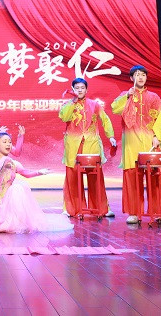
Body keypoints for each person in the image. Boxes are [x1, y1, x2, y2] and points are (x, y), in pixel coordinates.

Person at [111, 65, 161, 225]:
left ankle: (160, 212)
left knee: (156, 179)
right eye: (137, 75)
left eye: (143, 74)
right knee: (133, 179)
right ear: (131, 78)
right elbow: (115, 108)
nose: (141, 77)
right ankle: (134, 213)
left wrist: (157, 136)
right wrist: (127, 96)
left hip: (151, 142)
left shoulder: (153, 97)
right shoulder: (125, 95)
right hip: (131, 143)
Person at [0, 133, 72, 233]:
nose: (8, 144)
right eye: (4, 142)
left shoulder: (14, 163)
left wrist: (39, 172)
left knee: (17, 189)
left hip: (8, 199)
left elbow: (26, 173)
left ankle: (15, 221)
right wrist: (4, 161)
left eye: (10, 142)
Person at [58, 78, 116, 218]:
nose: (79, 90)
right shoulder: (67, 105)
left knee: (95, 176)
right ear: (73, 89)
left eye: (82, 87)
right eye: (77, 88)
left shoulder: (94, 104)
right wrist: (72, 102)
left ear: (86, 89)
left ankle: (102, 208)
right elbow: (64, 118)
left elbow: (105, 120)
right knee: (72, 176)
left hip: (91, 143)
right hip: (74, 144)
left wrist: (111, 136)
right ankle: (71, 208)